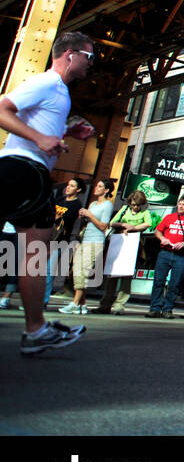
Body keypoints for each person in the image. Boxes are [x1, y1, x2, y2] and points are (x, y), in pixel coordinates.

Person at [0, 29, 96, 354]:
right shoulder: (47, 83)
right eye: (89, 56)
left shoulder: (59, 93)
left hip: (26, 172)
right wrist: (41, 140)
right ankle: (35, 329)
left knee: (33, 255)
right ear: (70, 55)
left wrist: (66, 129)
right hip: (22, 170)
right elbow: (2, 108)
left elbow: (34, 123)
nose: (90, 64)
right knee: (33, 255)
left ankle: (36, 329)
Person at [60, 179, 114, 315]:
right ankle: (82, 305)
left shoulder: (107, 205)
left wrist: (90, 215)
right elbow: (88, 223)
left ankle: (75, 303)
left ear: (106, 190)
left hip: (96, 241)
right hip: (85, 239)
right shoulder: (93, 203)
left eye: (100, 186)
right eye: (97, 185)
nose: (96, 188)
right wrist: (83, 217)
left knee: (82, 271)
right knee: (76, 270)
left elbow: (103, 226)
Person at [96, 191, 154, 314]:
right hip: (119, 242)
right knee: (112, 275)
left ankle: (119, 305)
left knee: (126, 276)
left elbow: (148, 223)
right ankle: (105, 304)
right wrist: (123, 224)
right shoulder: (124, 209)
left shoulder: (145, 212)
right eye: (133, 204)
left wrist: (134, 228)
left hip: (133, 243)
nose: (135, 207)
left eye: (138, 205)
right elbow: (112, 222)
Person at [149, 196, 184, 318]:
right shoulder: (169, 217)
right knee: (158, 281)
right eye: (180, 204)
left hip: (181, 255)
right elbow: (157, 231)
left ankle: (168, 309)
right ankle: (155, 308)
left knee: (175, 283)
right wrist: (163, 238)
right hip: (165, 253)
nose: (181, 206)